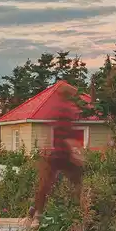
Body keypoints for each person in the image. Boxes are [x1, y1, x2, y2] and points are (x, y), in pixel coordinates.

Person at [30, 84, 85, 221]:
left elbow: (55, 130)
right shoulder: (67, 110)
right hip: (63, 153)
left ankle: (36, 210)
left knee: (46, 184)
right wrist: (75, 154)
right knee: (77, 180)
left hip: (55, 152)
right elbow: (67, 134)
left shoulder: (57, 108)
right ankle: (77, 210)